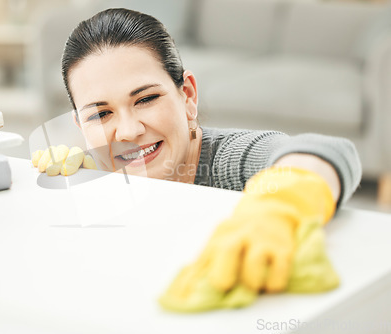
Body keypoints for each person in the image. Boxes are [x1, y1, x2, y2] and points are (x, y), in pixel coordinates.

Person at [60, 8, 362, 299]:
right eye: (101, 115)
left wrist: (280, 207)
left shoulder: (231, 161)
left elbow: (327, 152)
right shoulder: (102, 179)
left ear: (187, 95)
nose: (128, 131)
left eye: (146, 98)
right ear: (80, 126)